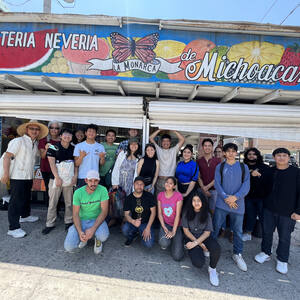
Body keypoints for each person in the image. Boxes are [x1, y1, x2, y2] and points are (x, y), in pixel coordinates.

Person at [254, 148, 300, 274]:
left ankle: (282, 259)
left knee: (284, 236)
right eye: (278, 155)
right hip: (269, 209)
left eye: (284, 155)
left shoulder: (296, 172)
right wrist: (257, 177)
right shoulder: (270, 171)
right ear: (274, 157)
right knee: (267, 232)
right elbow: (262, 188)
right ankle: (266, 252)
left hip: (288, 212)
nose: (281, 158)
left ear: (289, 157)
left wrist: (298, 211)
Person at [1, 120, 48, 238]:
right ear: (27, 130)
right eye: (32, 129)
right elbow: (7, 157)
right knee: (15, 201)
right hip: (17, 176)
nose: (34, 131)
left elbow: (41, 156)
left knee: (26, 197)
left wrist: (46, 148)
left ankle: (25, 216)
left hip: (28, 176)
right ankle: (13, 228)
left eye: (37, 129)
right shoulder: (18, 141)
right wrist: (6, 174)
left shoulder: (35, 144)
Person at [212, 143, 250, 272]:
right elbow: (217, 184)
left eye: (233, 151)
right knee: (216, 226)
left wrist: (235, 197)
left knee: (238, 231)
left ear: (236, 153)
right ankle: (210, 248)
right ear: (224, 153)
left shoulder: (243, 167)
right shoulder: (220, 167)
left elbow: (246, 186)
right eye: (228, 151)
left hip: (238, 205)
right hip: (222, 203)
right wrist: (226, 198)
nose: (231, 153)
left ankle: (237, 254)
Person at [64, 170, 109, 254]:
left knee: (103, 236)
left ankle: (97, 240)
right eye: (90, 180)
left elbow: (104, 211)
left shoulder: (103, 190)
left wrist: (93, 229)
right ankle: (83, 237)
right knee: (69, 247)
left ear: (98, 181)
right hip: (82, 221)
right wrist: (80, 231)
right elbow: (75, 214)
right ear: (86, 180)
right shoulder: (78, 193)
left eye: (95, 180)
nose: (93, 183)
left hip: (96, 219)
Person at [42, 128, 78, 235]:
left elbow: (76, 164)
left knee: (69, 202)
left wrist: (75, 176)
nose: (67, 136)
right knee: (52, 202)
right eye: (65, 134)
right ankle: (50, 223)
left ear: (72, 137)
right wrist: (57, 177)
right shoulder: (53, 147)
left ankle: (68, 221)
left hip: (69, 179)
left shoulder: (74, 148)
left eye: (70, 135)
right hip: (55, 179)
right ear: (61, 136)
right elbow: (51, 163)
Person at [182, 193, 221, 287]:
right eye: (194, 200)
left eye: (199, 201)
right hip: (191, 237)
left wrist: (197, 243)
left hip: (203, 237)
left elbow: (207, 233)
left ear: (203, 202)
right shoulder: (186, 213)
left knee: (216, 248)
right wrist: (199, 244)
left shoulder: (207, 214)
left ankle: (212, 269)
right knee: (198, 263)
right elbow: (186, 231)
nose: (196, 203)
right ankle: (201, 251)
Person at [242, 147, 269, 242]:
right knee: (250, 215)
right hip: (248, 196)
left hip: (262, 197)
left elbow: (268, 182)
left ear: (257, 156)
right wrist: (251, 173)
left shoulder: (264, 167)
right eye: (249, 154)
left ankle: (266, 237)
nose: (251, 156)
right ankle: (248, 233)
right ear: (246, 156)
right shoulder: (243, 167)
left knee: (263, 217)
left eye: (254, 154)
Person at [122, 176, 156, 247]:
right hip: (134, 222)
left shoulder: (149, 196)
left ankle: (141, 232)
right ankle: (134, 234)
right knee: (125, 229)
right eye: (137, 184)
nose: (139, 186)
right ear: (133, 184)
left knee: (148, 244)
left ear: (144, 186)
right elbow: (126, 214)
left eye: (141, 184)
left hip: (146, 223)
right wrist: (133, 221)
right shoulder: (129, 198)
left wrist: (148, 228)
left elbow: (153, 212)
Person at [150, 129, 185, 195]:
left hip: (171, 180)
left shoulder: (174, 150)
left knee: (170, 203)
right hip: (160, 180)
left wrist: (173, 130)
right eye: (164, 141)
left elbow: (182, 139)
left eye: (167, 141)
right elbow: (151, 138)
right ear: (161, 142)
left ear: (170, 142)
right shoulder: (158, 149)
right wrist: (160, 129)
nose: (165, 142)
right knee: (159, 201)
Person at [157, 177, 184, 261]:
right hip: (166, 224)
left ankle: (177, 240)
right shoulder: (160, 195)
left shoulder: (178, 196)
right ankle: (168, 240)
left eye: (171, 183)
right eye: (167, 182)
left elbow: (177, 216)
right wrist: (164, 228)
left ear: (174, 186)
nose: (168, 184)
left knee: (177, 257)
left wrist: (173, 231)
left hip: (177, 226)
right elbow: (160, 214)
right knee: (163, 243)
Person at [74, 124, 105, 188]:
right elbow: (76, 164)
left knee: (94, 198)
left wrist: (102, 158)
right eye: (89, 131)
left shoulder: (100, 147)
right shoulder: (79, 146)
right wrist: (81, 157)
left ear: (96, 134)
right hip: (82, 177)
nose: (91, 133)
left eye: (93, 131)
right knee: (82, 197)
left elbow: (102, 163)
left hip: (95, 177)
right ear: (85, 133)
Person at [38, 121, 62, 202]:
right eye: (52, 127)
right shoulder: (44, 140)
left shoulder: (62, 140)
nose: (54, 130)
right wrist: (46, 148)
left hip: (59, 170)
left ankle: (56, 211)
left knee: (58, 191)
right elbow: (42, 156)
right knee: (49, 190)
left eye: (56, 128)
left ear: (59, 130)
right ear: (49, 129)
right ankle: (50, 211)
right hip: (46, 169)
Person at [197, 139, 221, 212]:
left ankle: (211, 224)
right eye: (205, 146)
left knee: (212, 212)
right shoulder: (198, 161)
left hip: (214, 190)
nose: (207, 147)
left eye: (209, 146)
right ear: (202, 147)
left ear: (212, 147)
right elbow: (198, 176)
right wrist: (204, 188)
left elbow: (218, 176)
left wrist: (207, 187)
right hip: (201, 190)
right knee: (201, 211)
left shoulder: (218, 161)